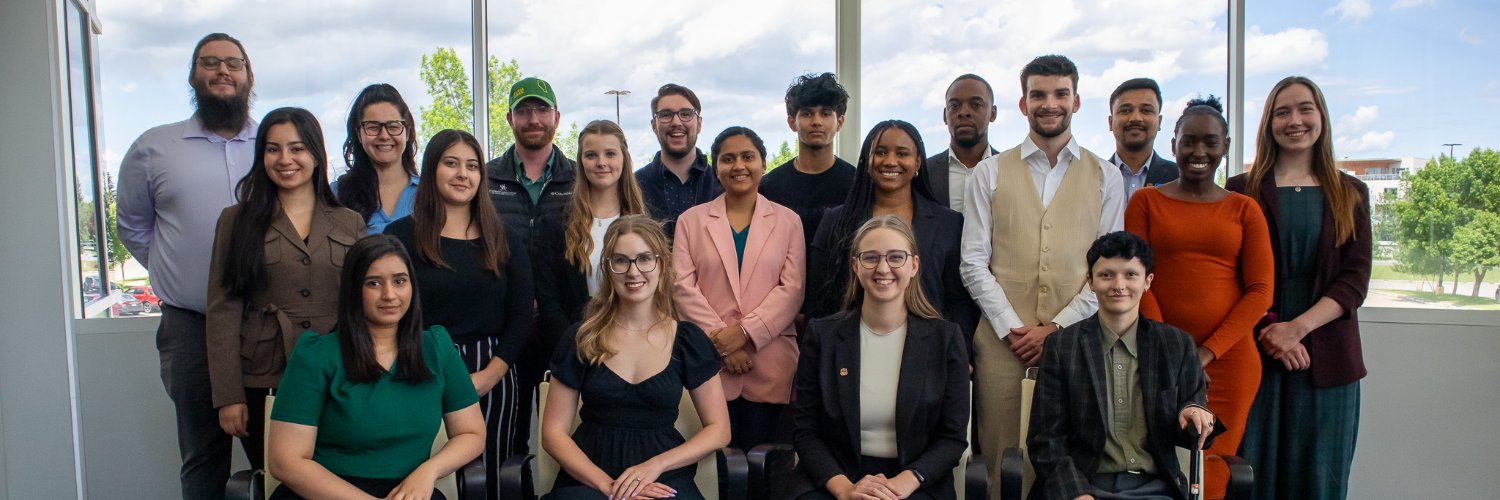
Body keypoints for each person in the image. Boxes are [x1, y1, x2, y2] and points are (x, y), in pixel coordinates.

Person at [959, 54, 1125, 499]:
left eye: (1060, 94)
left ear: (1076, 101)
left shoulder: (1106, 177)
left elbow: (1108, 271)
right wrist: (1014, 329)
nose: (1049, 103)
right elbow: (972, 262)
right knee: (1001, 463)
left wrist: (1056, 328)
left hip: (1078, 342)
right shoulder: (989, 172)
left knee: (1070, 460)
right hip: (1001, 347)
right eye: (1038, 95)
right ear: (1023, 103)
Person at [115, 32, 257, 500]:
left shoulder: (274, 145)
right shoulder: (155, 148)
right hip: (191, 327)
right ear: (193, 76)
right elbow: (133, 226)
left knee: (279, 458)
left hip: (264, 328)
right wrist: (177, 272)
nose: (222, 71)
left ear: (249, 76)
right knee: (203, 458)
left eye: (233, 63)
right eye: (209, 62)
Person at [1125, 96, 1274, 500]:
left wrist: (1206, 353)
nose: (1199, 151)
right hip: (1158, 357)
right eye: (1189, 141)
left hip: (1229, 362)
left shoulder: (1244, 209)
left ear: (1226, 146)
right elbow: (1137, 279)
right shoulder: (1146, 201)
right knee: (1157, 463)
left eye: (1210, 142)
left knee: (1213, 469)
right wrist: (1176, 354)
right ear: (1173, 144)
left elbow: (1261, 291)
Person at [1230, 76, 1371, 500]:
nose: (1295, 120)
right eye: (1283, 112)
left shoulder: (1351, 192)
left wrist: (1296, 329)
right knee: (1249, 477)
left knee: (1319, 481)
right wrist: (1270, 329)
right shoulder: (1240, 191)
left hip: (1327, 360)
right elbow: (1231, 276)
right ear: (1268, 122)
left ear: (1321, 117)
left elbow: (1354, 280)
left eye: (1305, 109)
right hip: (1255, 353)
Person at [204, 107, 364, 474]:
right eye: (273, 149)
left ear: (316, 155)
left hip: (336, 372)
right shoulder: (236, 221)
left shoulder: (349, 221)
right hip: (263, 374)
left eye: (297, 148)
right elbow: (223, 310)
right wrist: (228, 396)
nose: (285, 159)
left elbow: (360, 305)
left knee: (336, 477)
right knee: (279, 480)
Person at [267, 235, 485, 500]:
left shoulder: (437, 348)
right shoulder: (315, 356)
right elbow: (285, 462)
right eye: (374, 283)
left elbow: (471, 433)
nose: (389, 295)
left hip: (407, 492)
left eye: (399, 281)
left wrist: (429, 471)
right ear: (353, 289)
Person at [385, 129, 534, 500]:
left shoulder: (504, 238)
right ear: (432, 170)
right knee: (421, 471)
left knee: (490, 474)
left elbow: (521, 315)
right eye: (451, 163)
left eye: (472, 166)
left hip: (491, 370)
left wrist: (490, 376)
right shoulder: (399, 236)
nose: (462, 174)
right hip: (417, 367)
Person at [542, 215, 732, 500]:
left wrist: (655, 466)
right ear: (608, 268)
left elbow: (719, 430)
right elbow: (553, 434)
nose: (633, 271)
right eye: (621, 261)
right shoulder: (581, 337)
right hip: (590, 480)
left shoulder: (688, 340)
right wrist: (610, 487)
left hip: (662, 479)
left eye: (644, 259)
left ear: (662, 265)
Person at [787, 215, 971, 500]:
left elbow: (952, 439)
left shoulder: (945, 339)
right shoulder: (822, 336)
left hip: (914, 481)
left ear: (914, 265)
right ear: (855, 266)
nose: (883, 268)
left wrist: (901, 485)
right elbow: (806, 432)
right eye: (871, 257)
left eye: (896, 257)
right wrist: (845, 490)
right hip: (836, 478)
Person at [1027, 231, 1222, 500]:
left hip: (1155, 488)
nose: (1119, 285)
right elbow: (1045, 439)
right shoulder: (1063, 347)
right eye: (1106, 275)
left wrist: (1195, 416)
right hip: (1085, 484)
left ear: (1147, 281)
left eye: (1131, 275)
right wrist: (1076, 494)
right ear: (1090, 282)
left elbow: (1197, 429)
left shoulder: (1176, 345)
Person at [673, 126, 804, 450]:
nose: (739, 166)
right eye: (728, 159)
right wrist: (723, 342)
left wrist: (745, 333)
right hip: (708, 362)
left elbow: (792, 290)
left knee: (767, 465)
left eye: (748, 157)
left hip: (770, 361)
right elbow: (682, 288)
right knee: (714, 463)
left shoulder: (788, 221)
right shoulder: (690, 221)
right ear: (716, 167)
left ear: (764, 163)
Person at [809, 120, 978, 344]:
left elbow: (959, 302)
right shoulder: (835, 222)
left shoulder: (948, 223)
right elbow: (816, 298)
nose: (890, 161)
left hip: (928, 350)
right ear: (866, 160)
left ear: (918, 162)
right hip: (848, 349)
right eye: (880, 152)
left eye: (902, 153)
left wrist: (959, 351)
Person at [485, 75, 577, 455]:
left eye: (542, 109)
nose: (534, 119)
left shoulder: (580, 178)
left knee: (569, 433)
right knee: (509, 437)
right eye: (523, 111)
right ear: (509, 119)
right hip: (505, 328)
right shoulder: (486, 179)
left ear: (556, 117)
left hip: (566, 326)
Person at [536, 120, 649, 341]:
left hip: (639, 342)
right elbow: (549, 301)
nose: (601, 163)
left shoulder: (646, 222)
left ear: (624, 158)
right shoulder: (555, 224)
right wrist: (576, 344)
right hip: (577, 343)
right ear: (580, 161)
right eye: (591, 155)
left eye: (610, 154)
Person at [760, 72, 857, 250]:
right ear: (792, 122)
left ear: (840, 122)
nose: (816, 121)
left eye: (825, 113)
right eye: (807, 114)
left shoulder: (856, 184)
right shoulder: (769, 186)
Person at [333, 83, 421, 234]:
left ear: (407, 132)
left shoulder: (429, 192)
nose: (384, 136)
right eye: (373, 127)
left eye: (393, 126)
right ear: (359, 134)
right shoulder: (336, 194)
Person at [635, 84, 721, 235]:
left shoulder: (721, 184)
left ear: (699, 124)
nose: (676, 122)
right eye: (666, 115)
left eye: (686, 114)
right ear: (654, 125)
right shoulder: (634, 186)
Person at [922, 74, 999, 212]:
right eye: (954, 106)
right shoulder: (924, 173)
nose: (963, 112)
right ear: (945, 116)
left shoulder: (1009, 170)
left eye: (976, 105)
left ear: (992, 113)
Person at [1108, 78, 1179, 200]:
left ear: (1159, 122)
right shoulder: (1093, 176)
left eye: (1145, 110)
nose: (1135, 118)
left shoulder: (1179, 178)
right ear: (1110, 122)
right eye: (1126, 110)